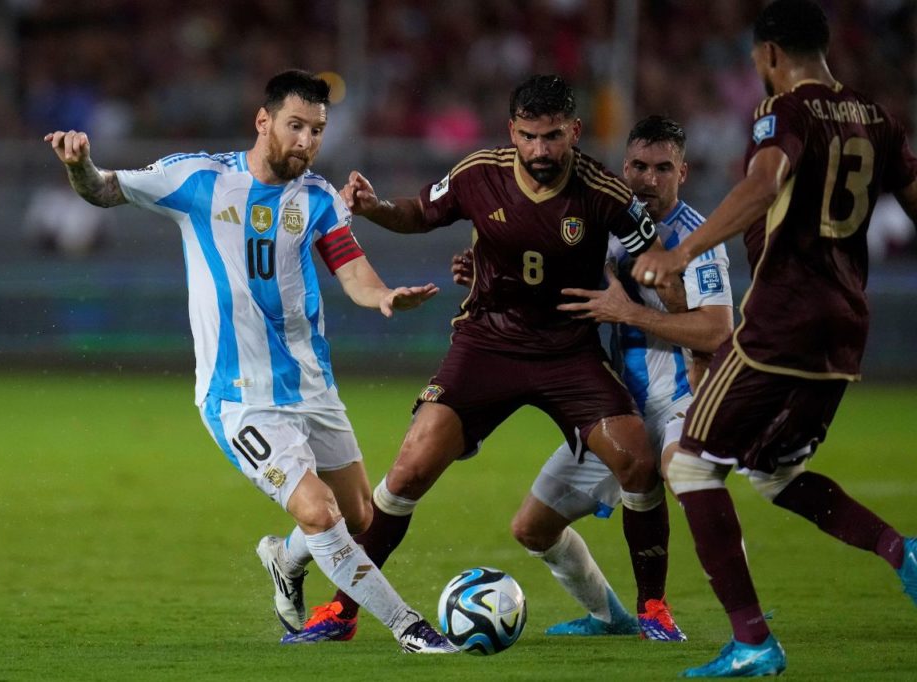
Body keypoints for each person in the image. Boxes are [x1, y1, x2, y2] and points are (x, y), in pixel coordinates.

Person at [44, 69, 456, 654]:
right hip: (238, 395)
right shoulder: (197, 180)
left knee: (361, 515)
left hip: (311, 386)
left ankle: (282, 560)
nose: (307, 142)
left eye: (317, 130)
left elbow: (353, 272)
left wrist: (384, 295)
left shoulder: (317, 199)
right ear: (263, 122)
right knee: (319, 512)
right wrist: (78, 165)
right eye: (296, 126)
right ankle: (411, 628)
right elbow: (105, 189)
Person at [284, 74, 686, 644]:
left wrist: (669, 307)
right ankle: (341, 612)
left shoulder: (605, 193)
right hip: (487, 344)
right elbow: (419, 213)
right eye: (529, 136)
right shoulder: (479, 174)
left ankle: (654, 608)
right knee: (409, 469)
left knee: (639, 462)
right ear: (512, 132)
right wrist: (374, 209)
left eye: (552, 137)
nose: (541, 150)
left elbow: (660, 263)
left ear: (574, 131)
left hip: (570, 352)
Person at [631, 1, 917, 677]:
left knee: (693, 464)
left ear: (767, 55)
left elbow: (762, 186)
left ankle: (754, 642)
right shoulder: (878, 120)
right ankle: (902, 552)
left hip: (782, 321)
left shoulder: (782, 112)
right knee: (775, 471)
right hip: (846, 328)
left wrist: (680, 254)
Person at [503, 115, 734, 639]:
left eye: (661, 168)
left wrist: (628, 312)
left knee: (685, 477)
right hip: (611, 407)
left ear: (683, 173)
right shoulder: (598, 224)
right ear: (622, 167)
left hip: (678, 401)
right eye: (637, 166)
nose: (647, 179)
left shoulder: (696, 239)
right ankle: (612, 620)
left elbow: (719, 332)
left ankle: (724, 610)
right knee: (531, 529)